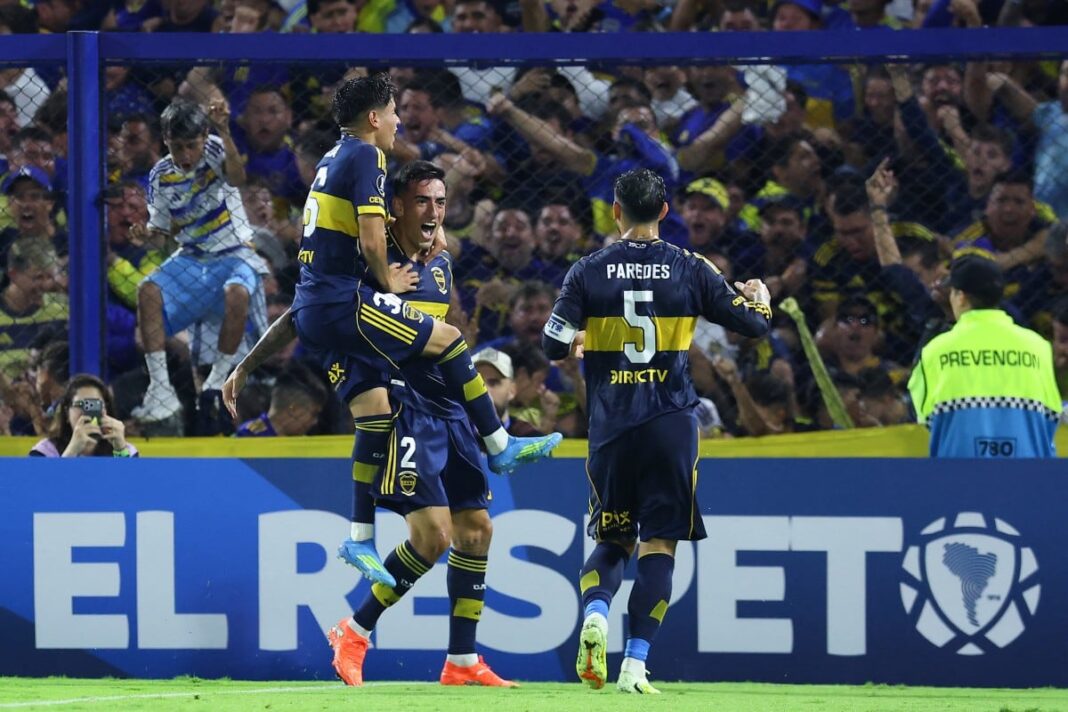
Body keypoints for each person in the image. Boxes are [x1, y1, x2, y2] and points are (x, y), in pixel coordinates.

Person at [223, 160, 530, 687]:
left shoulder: (442, 262)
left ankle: (461, 662)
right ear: (396, 207)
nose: (433, 212)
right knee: (432, 536)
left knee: (477, 532)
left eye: (440, 202)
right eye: (421, 202)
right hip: (402, 409)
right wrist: (246, 364)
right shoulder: (365, 258)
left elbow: (437, 331)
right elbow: (305, 313)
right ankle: (355, 628)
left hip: (450, 408)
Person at [542, 168, 772, 693]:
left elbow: (551, 346)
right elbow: (754, 326)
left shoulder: (586, 271)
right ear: (665, 212)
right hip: (670, 423)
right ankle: (635, 665)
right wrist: (760, 296)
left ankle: (597, 612)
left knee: (612, 538)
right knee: (659, 544)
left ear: (616, 211)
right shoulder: (689, 267)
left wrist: (579, 337)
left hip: (611, 425)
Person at [132, 99, 269, 429]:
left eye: (191, 146)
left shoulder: (216, 148)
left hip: (235, 253)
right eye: (177, 147)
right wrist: (145, 236)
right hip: (193, 257)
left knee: (237, 293)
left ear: (204, 136)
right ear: (165, 141)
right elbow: (162, 232)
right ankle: (160, 388)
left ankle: (217, 382)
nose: (186, 155)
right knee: (147, 290)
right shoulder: (160, 176)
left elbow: (237, 178)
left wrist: (224, 128)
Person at [907, 256, 1061, 458]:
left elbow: (922, 414)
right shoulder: (1038, 346)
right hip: (1029, 475)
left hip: (960, 475)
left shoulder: (936, 349)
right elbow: (1051, 413)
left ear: (960, 297)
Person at [29, 374, 138, 458]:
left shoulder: (125, 450)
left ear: (106, 410)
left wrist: (120, 449)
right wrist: (72, 450)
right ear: (67, 412)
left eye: (95, 404)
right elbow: (43, 486)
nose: (87, 412)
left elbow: (130, 484)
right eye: (81, 404)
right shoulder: (45, 451)